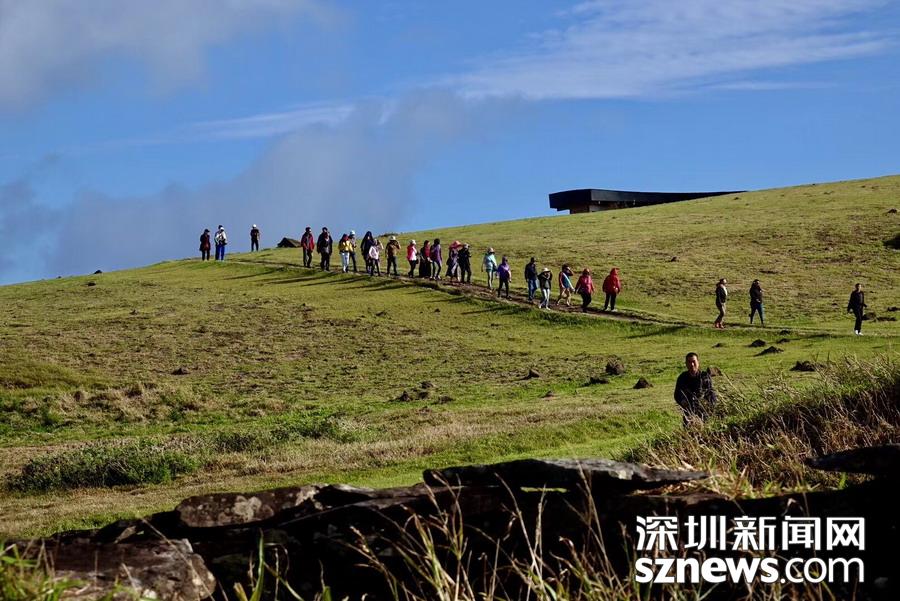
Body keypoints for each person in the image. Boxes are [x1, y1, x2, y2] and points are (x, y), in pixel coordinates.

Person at [674, 352, 718, 426]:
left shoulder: (705, 376)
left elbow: (711, 393)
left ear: (698, 362)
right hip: (689, 413)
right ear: (686, 364)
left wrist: (711, 406)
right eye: (689, 362)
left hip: (704, 413)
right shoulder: (682, 378)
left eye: (694, 361)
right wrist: (683, 402)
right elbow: (677, 395)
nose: (692, 364)